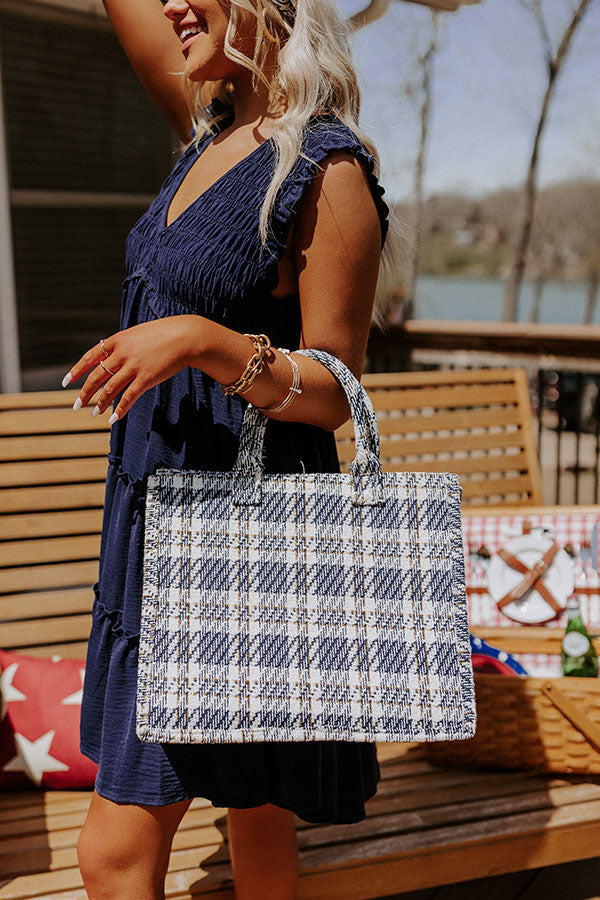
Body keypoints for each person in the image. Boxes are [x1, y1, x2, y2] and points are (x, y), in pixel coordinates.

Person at [64, 1, 393, 897]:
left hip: (240, 545)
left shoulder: (326, 169)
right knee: (255, 820)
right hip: (153, 526)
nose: (170, 3)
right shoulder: (207, 130)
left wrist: (203, 341)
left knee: (117, 848)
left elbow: (333, 392)